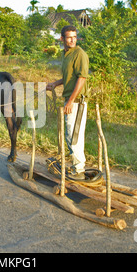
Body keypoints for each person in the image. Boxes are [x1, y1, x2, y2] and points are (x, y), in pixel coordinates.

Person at [46, 25, 89, 180]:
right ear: (62, 38)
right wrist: (55, 84)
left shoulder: (79, 54)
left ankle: (79, 170)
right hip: (70, 100)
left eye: (74, 37)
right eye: (69, 37)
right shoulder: (66, 54)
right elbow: (69, 77)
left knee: (74, 135)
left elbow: (81, 78)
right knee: (70, 134)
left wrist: (70, 101)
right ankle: (76, 167)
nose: (72, 40)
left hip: (77, 101)